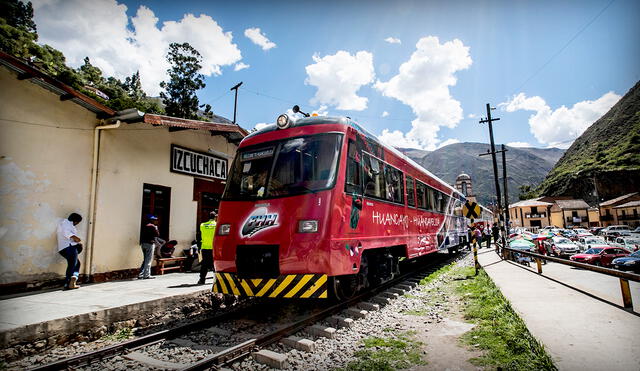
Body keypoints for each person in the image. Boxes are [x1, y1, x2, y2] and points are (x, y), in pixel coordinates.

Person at [57, 213, 83, 290]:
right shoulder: (66, 223)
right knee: (72, 265)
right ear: (75, 221)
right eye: (77, 222)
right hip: (69, 248)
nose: (77, 224)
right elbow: (67, 233)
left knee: (76, 264)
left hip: (63, 248)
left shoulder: (64, 224)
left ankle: (74, 278)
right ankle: (68, 283)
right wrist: (77, 239)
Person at [198, 211, 217, 285]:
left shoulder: (202, 225)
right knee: (215, 264)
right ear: (215, 217)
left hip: (204, 248)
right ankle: (216, 280)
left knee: (204, 265)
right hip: (214, 248)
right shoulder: (217, 225)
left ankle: (202, 280)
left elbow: (199, 235)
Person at [139, 215, 159, 279]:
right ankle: (146, 275)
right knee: (148, 260)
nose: (156, 221)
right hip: (149, 244)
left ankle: (141, 274)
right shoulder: (153, 226)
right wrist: (156, 228)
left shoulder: (144, 226)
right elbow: (157, 234)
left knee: (145, 259)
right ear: (152, 220)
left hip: (143, 244)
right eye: (155, 220)